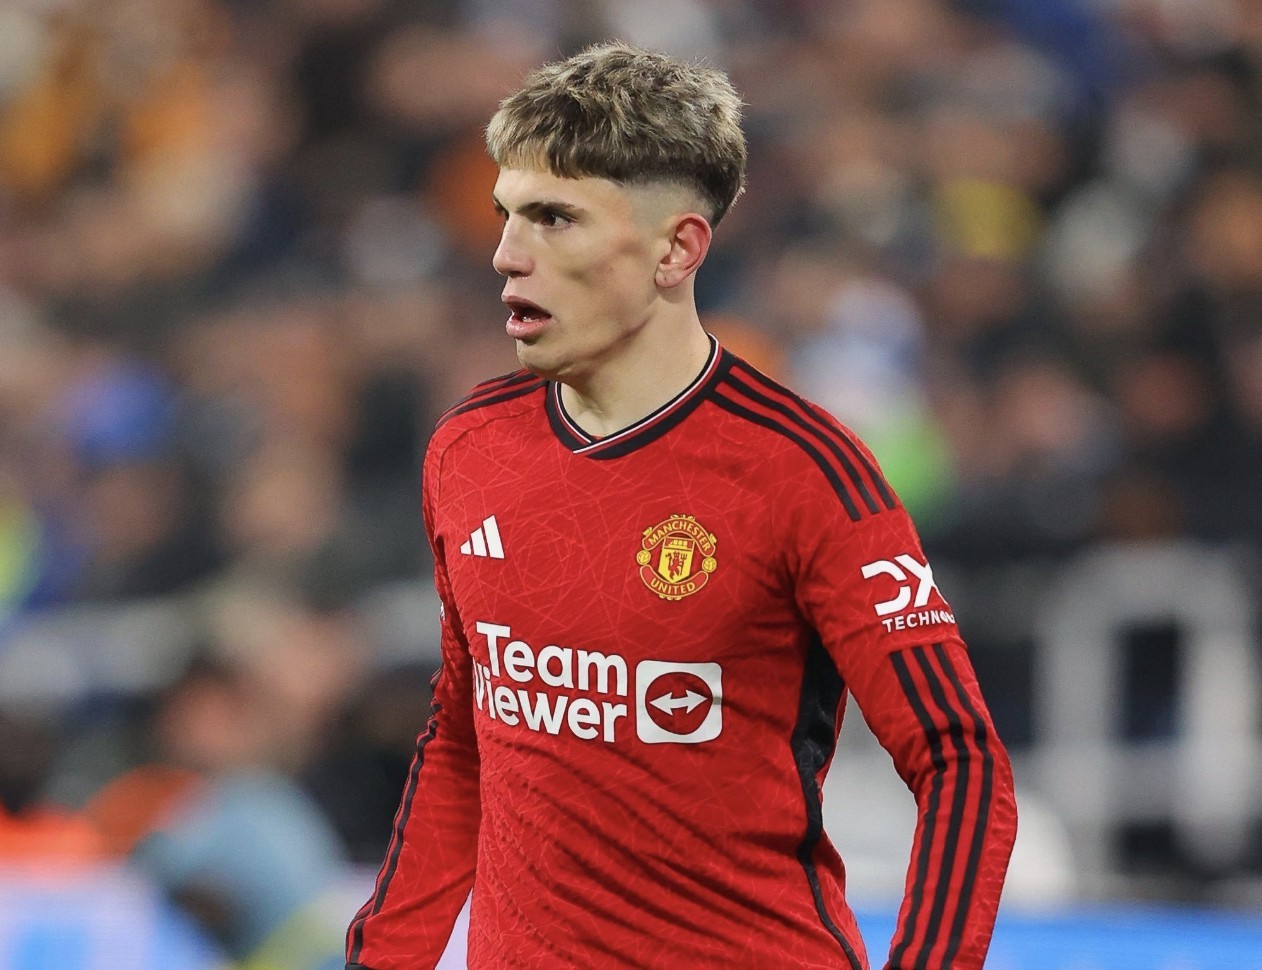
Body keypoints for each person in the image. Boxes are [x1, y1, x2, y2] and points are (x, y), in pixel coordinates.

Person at [346, 41, 1017, 970]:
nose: (506, 256)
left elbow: (959, 759)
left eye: (555, 219)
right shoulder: (470, 448)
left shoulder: (803, 472)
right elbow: (464, 739)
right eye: (508, 216)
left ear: (677, 249)